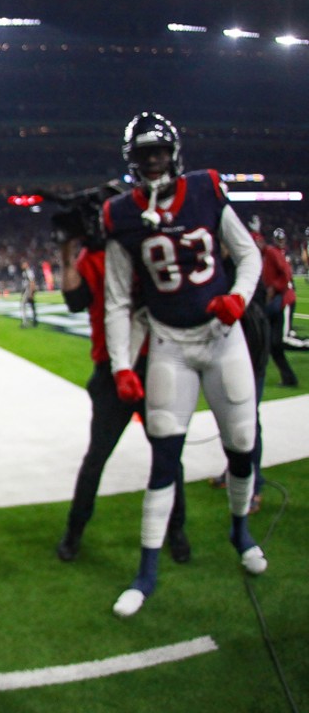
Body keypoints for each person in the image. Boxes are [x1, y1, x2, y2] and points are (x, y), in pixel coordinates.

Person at [103, 112, 264, 618]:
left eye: (159, 152)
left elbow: (249, 256)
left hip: (221, 337)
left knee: (241, 443)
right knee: (164, 458)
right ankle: (146, 573)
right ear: (132, 162)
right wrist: (121, 365)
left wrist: (237, 297)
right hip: (170, 342)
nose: (153, 162)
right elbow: (116, 301)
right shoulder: (120, 215)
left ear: (173, 154)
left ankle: (240, 531)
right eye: (144, 155)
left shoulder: (205, 189)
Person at [54, 181, 188, 564]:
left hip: (155, 361)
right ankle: (74, 531)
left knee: (166, 454)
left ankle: (175, 528)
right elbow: (75, 302)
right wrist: (66, 255)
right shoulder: (93, 258)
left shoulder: (144, 249)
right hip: (112, 368)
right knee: (97, 457)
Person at [263, 227, 299, 387]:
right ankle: (289, 378)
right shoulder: (272, 253)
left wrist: (273, 288)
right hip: (277, 301)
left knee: (282, 341)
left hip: (282, 300)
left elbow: (286, 274)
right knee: (273, 344)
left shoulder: (272, 252)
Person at [20, 260, 39, 327]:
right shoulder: (25, 272)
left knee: (23, 305)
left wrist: (31, 292)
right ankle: (34, 320)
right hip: (27, 290)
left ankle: (25, 322)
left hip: (28, 290)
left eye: (23, 264)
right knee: (32, 305)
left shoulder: (28, 272)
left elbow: (32, 282)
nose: (22, 266)